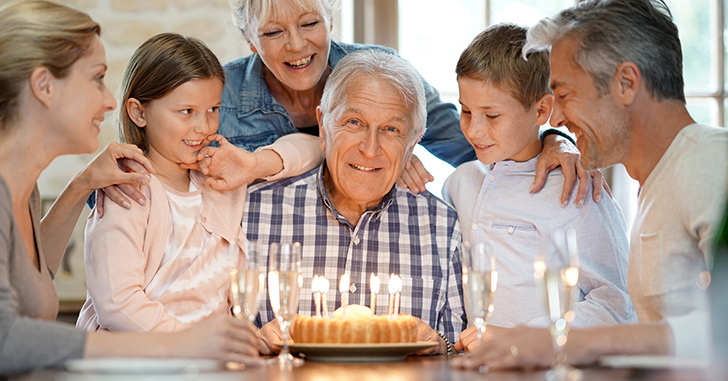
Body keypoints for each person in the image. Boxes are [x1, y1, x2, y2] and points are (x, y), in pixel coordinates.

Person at [452, 0, 728, 370]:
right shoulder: (657, 182)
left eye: (564, 95)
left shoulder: (711, 164)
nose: (558, 118)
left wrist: (555, 340)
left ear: (626, 84)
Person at [0, 1, 259, 375]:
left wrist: (80, 186)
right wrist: (182, 344)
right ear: (43, 86)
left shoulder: (26, 193)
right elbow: (6, 338)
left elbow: (33, 282)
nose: (109, 101)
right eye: (97, 78)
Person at [222, 0, 605, 206]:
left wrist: (554, 139)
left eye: (309, 24)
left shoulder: (380, 69)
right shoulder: (222, 96)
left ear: (331, 19)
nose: (296, 44)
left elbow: (477, 140)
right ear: (250, 40)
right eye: (273, 32)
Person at [76, 33, 320, 333]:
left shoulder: (216, 181)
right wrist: (200, 345)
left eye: (213, 110)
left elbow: (313, 148)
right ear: (139, 112)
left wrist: (253, 164)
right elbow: (118, 306)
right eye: (187, 112)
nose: (204, 127)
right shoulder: (127, 192)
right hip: (134, 362)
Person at [240, 49, 464, 356]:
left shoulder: (443, 228)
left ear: (413, 143)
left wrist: (443, 346)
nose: (370, 149)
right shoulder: (252, 214)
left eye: (391, 129)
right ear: (323, 125)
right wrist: (250, 346)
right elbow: (216, 351)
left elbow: (465, 357)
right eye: (354, 122)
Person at [442, 23, 634, 352]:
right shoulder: (459, 184)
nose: (473, 130)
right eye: (466, 110)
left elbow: (616, 305)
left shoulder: (577, 191)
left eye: (491, 115)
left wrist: (524, 340)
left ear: (542, 110)